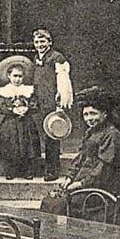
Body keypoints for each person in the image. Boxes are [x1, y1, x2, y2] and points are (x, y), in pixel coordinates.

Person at [60, 86, 120, 201]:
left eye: (93, 113)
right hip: (88, 185)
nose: (89, 118)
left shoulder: (111, 135)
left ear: (104, 114)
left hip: (102, 189)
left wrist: (80, 184)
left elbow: (104, 170)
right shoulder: (91, 132)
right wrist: (70, 178)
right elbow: (81, 157)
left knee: (61, 203)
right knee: (54, 199)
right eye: (86, 114)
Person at [31, 29, 74, 181]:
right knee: (39, 134)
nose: (40, 45)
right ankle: (39, 166)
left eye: (43, 41)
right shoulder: (36, 58)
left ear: (49, 42)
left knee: (52, 136)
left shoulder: (56, 58)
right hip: (39, 101)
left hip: (51, 101)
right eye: (37, 42)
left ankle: (53, 169)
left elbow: (63, 81)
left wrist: (60, 100)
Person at [0, 56, 42, 180]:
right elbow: (2, 108)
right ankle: (11, 170)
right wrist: (13, 110)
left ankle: (27, 170)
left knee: (28, 143)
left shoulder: (28, 90)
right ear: (9, 76)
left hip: (26, 121)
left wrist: (27, 109)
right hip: (10, 122)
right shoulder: (3, 91)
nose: (17, 79)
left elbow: (34, 104)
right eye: (15, 76)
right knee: (11, 144)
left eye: (20, 76)